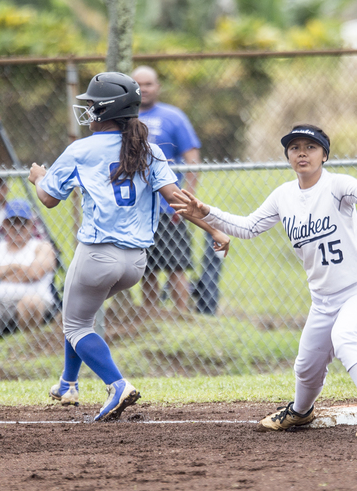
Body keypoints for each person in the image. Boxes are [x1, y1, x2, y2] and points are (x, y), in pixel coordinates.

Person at [171, 124, 357, 438]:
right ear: (288, 156)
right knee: (306, 367)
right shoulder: (284, 196)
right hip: (323, 302)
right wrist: (207, 212)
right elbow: (248, 227)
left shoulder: (337, 185)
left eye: (310, 147)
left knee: (346, 337)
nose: (302, 153)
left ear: (324, 155)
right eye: (295, 148)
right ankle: (301, 413)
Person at [28, 72, 230, 421]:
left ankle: (117, 384)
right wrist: (214, 230)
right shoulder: (147, 149)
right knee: (80, 317)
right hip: (136, 263)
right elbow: (177, 199)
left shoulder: (81, 149)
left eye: (92, 106)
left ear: (107, 110)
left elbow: (48, 199)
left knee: (75, 325)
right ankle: (67, 383)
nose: (88, 111)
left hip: (97, 254)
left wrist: (38, 178)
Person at [132, 65, 223, 313]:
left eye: (148, 84)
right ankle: (150, 317)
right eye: (138, 84)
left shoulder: (173, 117)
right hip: (137, 208)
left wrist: (186, 201)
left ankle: (181, 316)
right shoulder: (126, 119)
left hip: (169, 206)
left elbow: (193, 161)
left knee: (176, 264)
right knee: (146, 266)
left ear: (158, 87)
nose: (143, 89)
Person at [0, 199, 57, 347]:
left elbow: (34, 273)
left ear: (31, 225)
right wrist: (15, 268)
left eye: (23, 222)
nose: (17, 227)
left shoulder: (42, 247)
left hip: (33, 301)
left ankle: (27, 352)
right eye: (12, 222)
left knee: (30, 303)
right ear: (4, 225)